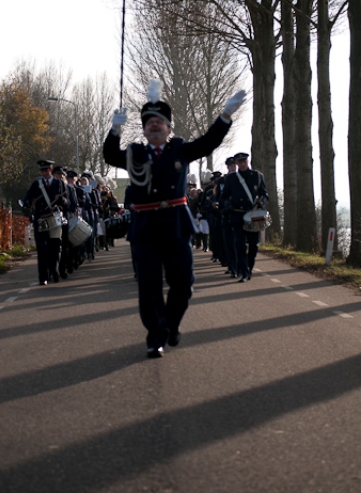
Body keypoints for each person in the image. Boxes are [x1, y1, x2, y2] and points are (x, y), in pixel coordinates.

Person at [103, 80, 246, 358]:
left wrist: (225, 116)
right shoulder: (135, 154)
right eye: (149, 122)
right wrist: (114, 130)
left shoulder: (180, 150)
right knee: (149, 286)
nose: (154, 125)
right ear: (144, 130)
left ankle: (170, 324)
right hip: (145, 229)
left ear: (169, 128)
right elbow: (110, 154)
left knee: (183, 283)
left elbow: (208, 141)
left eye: (159, 121)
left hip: (176, 225)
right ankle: (156, 336)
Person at [220, 152, 268, 283]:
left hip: (254, 214)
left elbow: (264, 194)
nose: (242, 164)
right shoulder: (231, 179)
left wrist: (261, 203)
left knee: (254, 245)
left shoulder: (257, 176)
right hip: (237, 214)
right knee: (240, 245)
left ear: (247, 161)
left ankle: (249, 268)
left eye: (244, 161)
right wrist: (228, 205)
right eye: (240, 162)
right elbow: (223, 197)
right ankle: (244, 272)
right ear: (236, 163)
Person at [23, 159, 69, 285]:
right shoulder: (36, 184)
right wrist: (28, 203)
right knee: (42, 249)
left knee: (55, 248)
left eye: (46, 170)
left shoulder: (59, 184)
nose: (44, 173)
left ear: (51, 170)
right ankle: (43, 277)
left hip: (54, 219)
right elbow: (27, 198)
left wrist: (60, 200)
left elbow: (67, 202)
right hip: (41, 218)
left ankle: (54, 270)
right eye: (42, 171)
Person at [219, 156, 238, 277]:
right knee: (230, 243)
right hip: (227, 214)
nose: (233, 167)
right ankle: (232, 267)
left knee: (240, 243)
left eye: (234, 165)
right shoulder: (223, 180)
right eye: (231, 166)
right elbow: (221, 197)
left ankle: (240, 266)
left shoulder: (242, 178)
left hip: (240, 213)